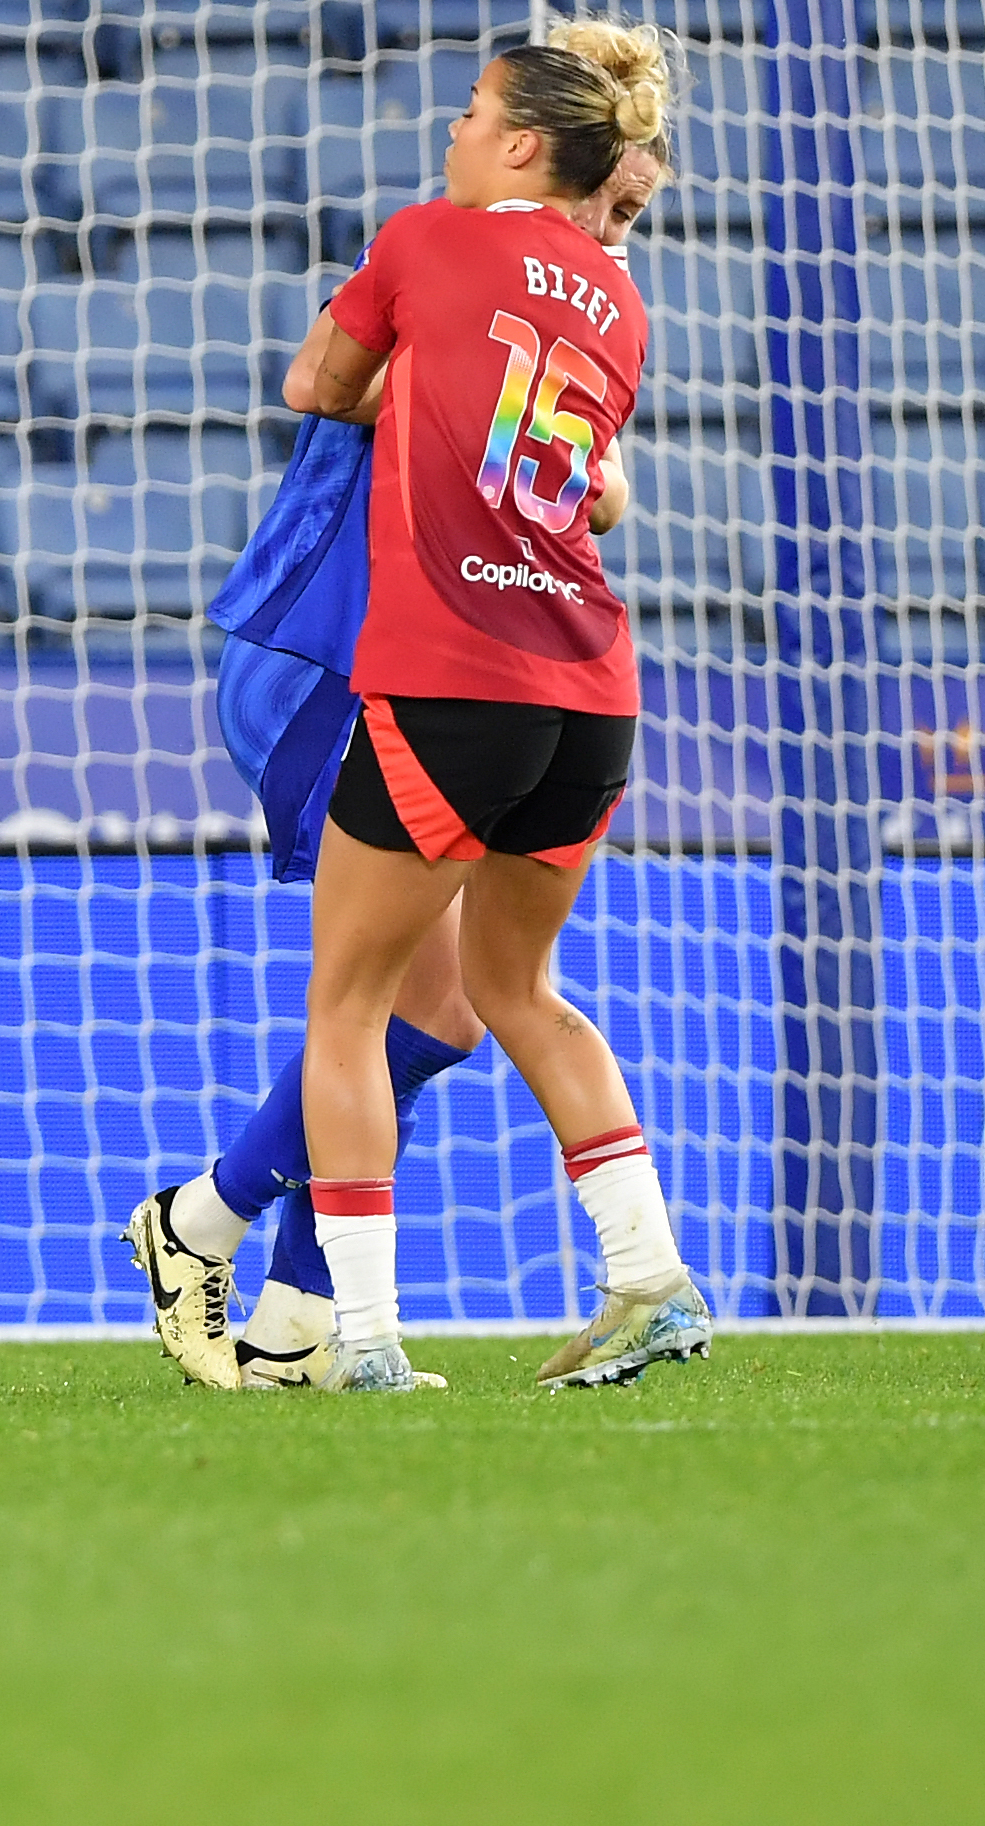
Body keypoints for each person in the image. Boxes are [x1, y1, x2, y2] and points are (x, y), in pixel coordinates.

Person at [123, 139, 666, 1391]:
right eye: (613, 191)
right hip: (333, 654)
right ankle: (238, 1254)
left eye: (636, 206)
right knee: (406, 1004)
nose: (618, 223)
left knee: (440, 1010)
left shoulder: (570, 303)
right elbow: (318, 378)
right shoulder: (427, 255)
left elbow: (605, 489)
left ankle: (264, 1291)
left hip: (457, 674)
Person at [281, 22, 701, 1394]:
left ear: (519, 141)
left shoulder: (420, 241)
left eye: (468, 112)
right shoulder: (619, 303)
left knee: (343, 1008)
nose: (450, 133)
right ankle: (647, 1278)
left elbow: (314, 388)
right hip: (587, 690)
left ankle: (359, 1342)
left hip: (448, 674)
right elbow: (578, 475)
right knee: (518, 986)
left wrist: (392, 383)